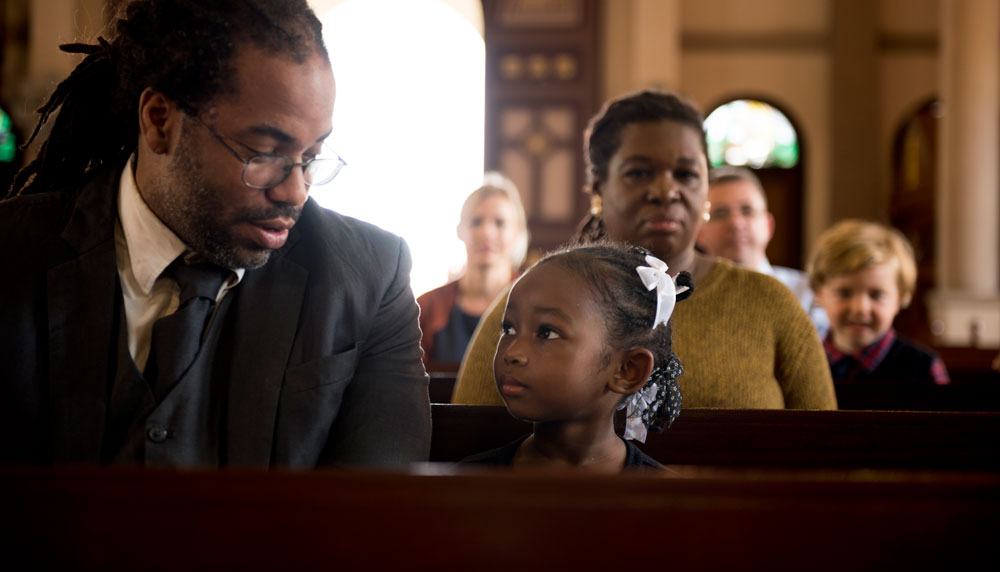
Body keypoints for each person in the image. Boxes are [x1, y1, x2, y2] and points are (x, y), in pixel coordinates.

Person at [0, 0, 431, 467]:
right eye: (264, 153)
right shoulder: (10, 253)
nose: (296, 192)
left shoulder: (371, 280)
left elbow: (380, 517)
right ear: (159, 121)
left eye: (311, 157)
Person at [453, 90, 836, 409]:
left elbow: (828, 453)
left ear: (705, 188)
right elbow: (466, 441)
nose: (666, 191)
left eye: (686, 174)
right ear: (599, 190)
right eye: (639, 173)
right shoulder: (531, 301)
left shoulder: (768, 303)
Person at [462, 243, 693, 471]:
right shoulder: (465, 484)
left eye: (547, 333)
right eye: (509, 329)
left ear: (627, 370)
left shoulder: (666, 501)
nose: (513, 353)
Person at [808, 219, 950, 385]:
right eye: (844, 293)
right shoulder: (803, 366)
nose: (860, 308)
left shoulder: (923, 369)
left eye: (876, 295)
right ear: (819, 294)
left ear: (900, 298)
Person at [697, 165, 829, 337]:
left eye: (747, 211)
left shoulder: (810, 295)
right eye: (720, 213)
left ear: (768, 225)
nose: (736, 223)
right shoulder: (682, 300)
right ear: (698, 232)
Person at [417, 173, 527, 369]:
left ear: (517, 232)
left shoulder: (534, 303)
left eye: (499, 223)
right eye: (476, 222)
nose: (486, 232)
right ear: (460, 230)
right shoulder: (426, 307)